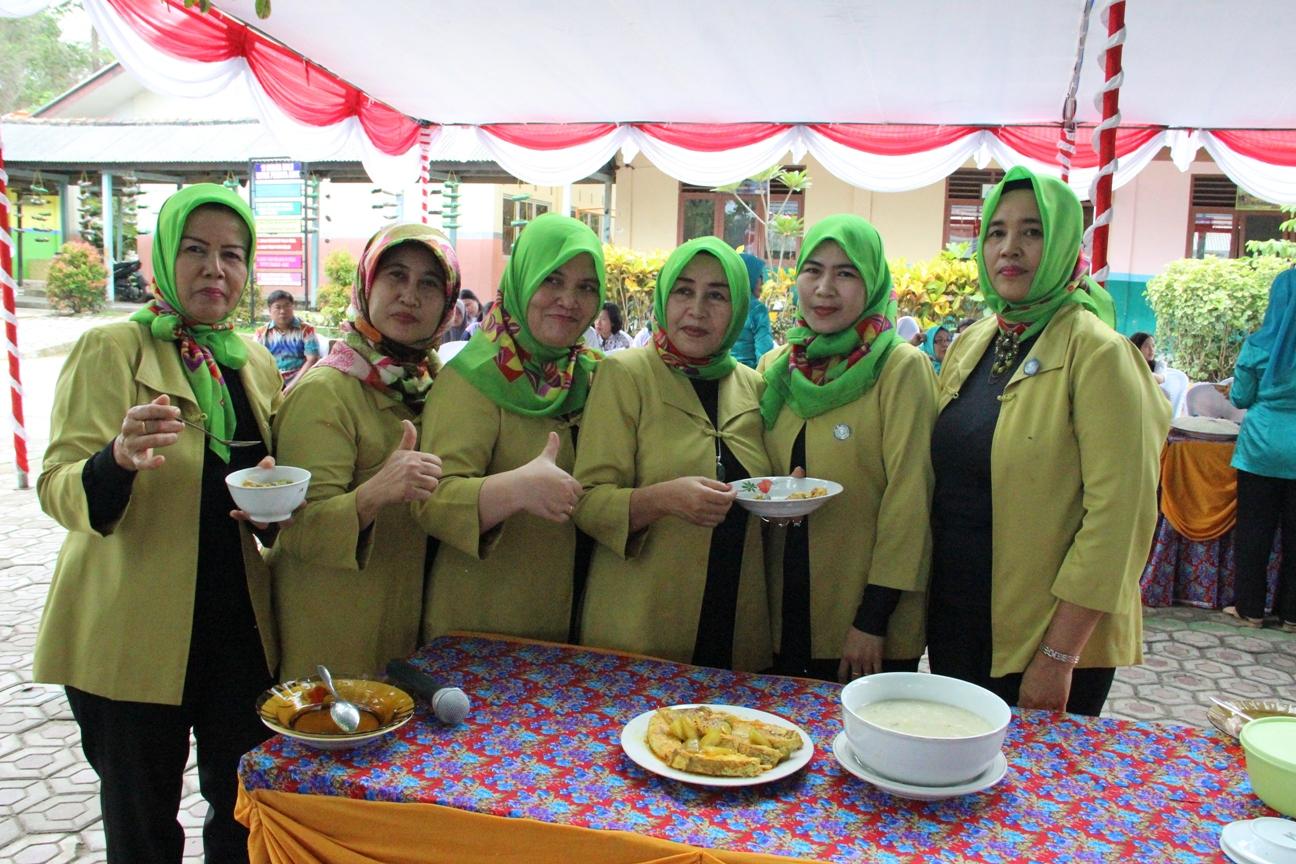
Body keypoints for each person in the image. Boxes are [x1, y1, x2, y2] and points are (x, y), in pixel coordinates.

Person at [33, 184, 285, 863]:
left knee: (241, 816)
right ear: (164, 256)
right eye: (197, 250)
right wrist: (116, 458)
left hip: (235, 635)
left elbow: (263, 485)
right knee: (142, 827)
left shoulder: (250, 361)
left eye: (233, 255)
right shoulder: (112, 349)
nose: (216, 270)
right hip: (129, 637)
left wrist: (276, 511)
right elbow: (56, 486)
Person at [926, 166, 1169, 717]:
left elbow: (1119, 519)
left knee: (1039, 797)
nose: (1010, 248)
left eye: (1032, 232)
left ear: (1062, 244)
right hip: (960, 617)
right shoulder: (973, 343)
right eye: (996, 232)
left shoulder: (1100, 355)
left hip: (1048, 638)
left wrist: (1059, 654)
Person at [268, 224, 460, 679]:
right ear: (367, 284)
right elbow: (294, 529)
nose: (410, 296)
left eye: (429, 283)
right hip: (331, 632)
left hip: (404, 625)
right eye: (395, 275)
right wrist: (374, 493)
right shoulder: (327, 391)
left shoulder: (435, 385)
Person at [574, 238, 773, 670]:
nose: (697, 309)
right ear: (665, 297)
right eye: (684, 291)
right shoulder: (626, 374)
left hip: (736, 623)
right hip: (644, 626)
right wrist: (663, 499)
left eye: (717, 295)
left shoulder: (753, 385)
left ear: (739, 306)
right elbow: (587, 500)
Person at [759, 215, 937, 683]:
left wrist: (872, 620)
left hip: (862, 620)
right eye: (813, 270)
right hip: (779, 609)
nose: (824, 288)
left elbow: (909, 500)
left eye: (846, 273)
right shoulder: (777, 368)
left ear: (873, 281)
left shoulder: (901, 369)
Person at [413, 213, 604, 643]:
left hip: (580, 623)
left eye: (586, 287)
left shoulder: (593, 375)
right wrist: (515, 489)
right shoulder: (472, 377)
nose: (569, 300)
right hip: (487, 625)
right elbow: (431, 502)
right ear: (522, 280)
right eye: (552, 280)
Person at [1224, 269, 1296, 632]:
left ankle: (1250, 608)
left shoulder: (1259, 345)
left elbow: (1240, 397)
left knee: (1255, 530)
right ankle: (1292, 615)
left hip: (1262, 447)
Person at [254, 289, 321, 391]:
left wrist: (293, 385)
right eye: (278, 307)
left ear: (292, 307)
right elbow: (256, 361)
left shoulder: (306, 330)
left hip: (300, 379)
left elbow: (312, 360)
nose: (283, 311)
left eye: (287, 306)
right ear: (269, 310)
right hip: (271, 380)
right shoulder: (261, 333)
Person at [731, 252, 775, 368]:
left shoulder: (722, 304)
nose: (763, 282)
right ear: (749, 277)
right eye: (759, 276)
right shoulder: (757, 310)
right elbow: (765, 356)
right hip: (748, 377)